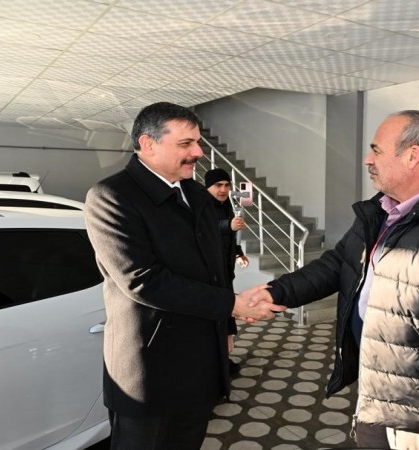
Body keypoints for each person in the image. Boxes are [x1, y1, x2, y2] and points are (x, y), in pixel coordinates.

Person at [251, 110, 419, 449]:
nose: (367, 159)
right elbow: (340, 263)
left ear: (412, 156)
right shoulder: (383, 210)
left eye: (376, 150)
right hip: (379, 392)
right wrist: (279, 292)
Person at [84, 102, 285, 450]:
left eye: (198, 142)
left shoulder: (195, 194)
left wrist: (228, 320)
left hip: (199, 365)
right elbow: (143, 280)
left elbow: (213, 272)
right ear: (148, 144)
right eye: (186, 144)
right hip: (149, 373)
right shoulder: (111, 196)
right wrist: (232, 305)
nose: (198, 152)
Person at [205, 167, 250, 376]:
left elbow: (229, 238)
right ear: (208, 187)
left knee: (225, 311)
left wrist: (238, 254)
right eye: (218, 185)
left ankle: (223, 357)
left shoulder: (226, 205)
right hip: (209, 274)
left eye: (226, 185)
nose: (223, 190)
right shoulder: (202, 206)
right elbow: (204, 230)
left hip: (224, 271)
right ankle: (216, 360)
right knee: (216, 313)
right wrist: (227, 225)